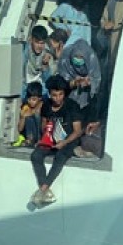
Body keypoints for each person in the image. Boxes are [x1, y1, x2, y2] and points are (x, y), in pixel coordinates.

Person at [29, 76, 83, 207]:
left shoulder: (72, 106)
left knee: (60, 156)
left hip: (69, 139)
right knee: (36, 155)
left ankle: (43, 188)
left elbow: (78, 131)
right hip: (52, 138)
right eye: (54, 95)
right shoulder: (46, 105)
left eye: (60, 95)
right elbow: (43, 124)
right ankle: (45, 189)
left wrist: (64, 143)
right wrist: (45, 137)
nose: (58, 98)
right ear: (49, 94)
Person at [14, 81, 44, 147]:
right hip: (31, 135)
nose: (30, 102)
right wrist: (23, 117)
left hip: (42, 135)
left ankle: (39, 140)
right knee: (28, 117)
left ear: (40, 98)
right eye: (29, 99)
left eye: (33, 99)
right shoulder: (26, 107)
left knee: (37, 115)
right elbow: (20, 129)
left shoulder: (43, 106)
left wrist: (33, 113)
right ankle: (30, 140)